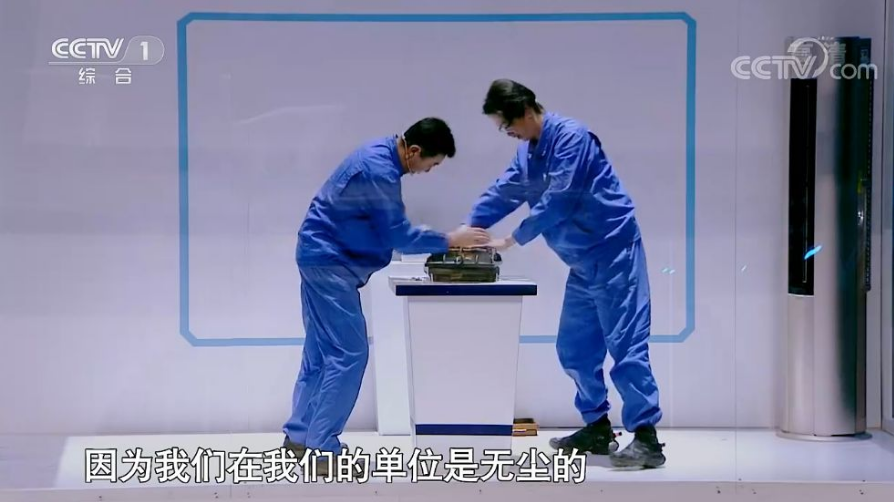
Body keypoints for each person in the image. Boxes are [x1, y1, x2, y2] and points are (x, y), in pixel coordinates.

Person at [465, 79, 666, 468]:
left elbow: (561, 197)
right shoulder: (528, 153)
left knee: (626, 347)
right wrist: (468, 227)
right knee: (574, 348)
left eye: (507, 125)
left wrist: (513, 239)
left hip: (614, 253)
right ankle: (597, 427)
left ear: (526, 111)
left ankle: (647, 439)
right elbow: (505, 190)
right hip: (581, 263)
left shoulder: (572, 138)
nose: (508, 133)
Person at [283, 117, 491, 473]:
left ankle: (299, 437)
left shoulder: (376, 154)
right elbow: (400, 236)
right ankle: (322, 451)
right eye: (431, 164)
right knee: (349, 354)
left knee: (320, 353)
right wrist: (450, 240)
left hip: (317, 257)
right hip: (331, 264)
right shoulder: (379, 171)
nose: (427, 172)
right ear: (414, 151)